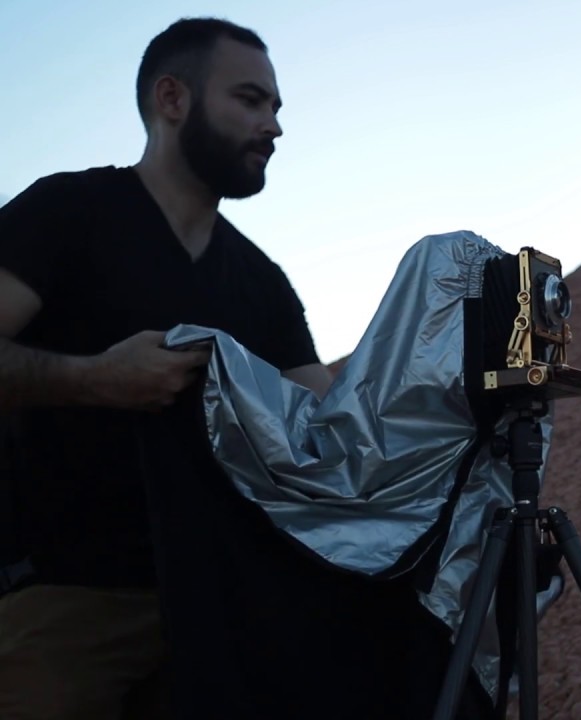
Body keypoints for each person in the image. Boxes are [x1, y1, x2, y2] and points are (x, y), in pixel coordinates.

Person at [0, 17, 333, 719]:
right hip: (68, 601)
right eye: (250, 99)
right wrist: (95, 379)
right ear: (172, 99)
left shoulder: (262, 282)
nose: (272, 125)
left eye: (276, 107)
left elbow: (329, 430)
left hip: (225, 608)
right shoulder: (67, 212)